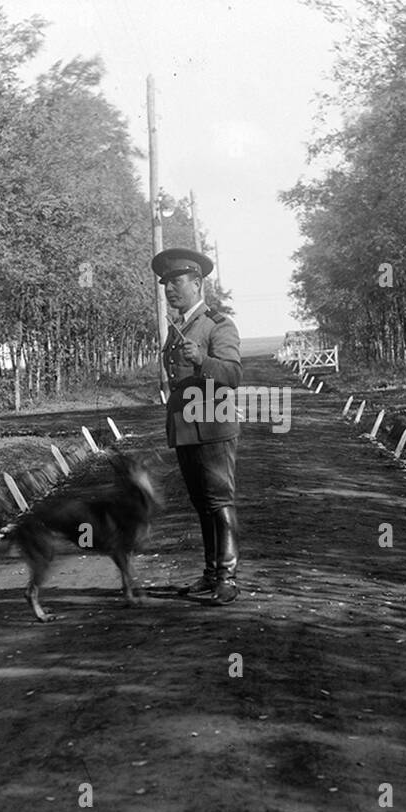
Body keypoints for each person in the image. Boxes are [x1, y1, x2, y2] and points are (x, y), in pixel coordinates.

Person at [152, 247, 242, 605]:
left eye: (176, 282)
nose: (169, 289)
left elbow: (233, 374)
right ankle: (210, 574)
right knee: (202, 504)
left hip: (214, 425)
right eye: (166, 284)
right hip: (187, 426)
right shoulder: (179, 329)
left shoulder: (218, 325)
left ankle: (228, 578)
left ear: (197, 283)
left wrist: (202, 359)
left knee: (220, 502)